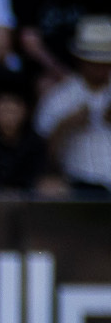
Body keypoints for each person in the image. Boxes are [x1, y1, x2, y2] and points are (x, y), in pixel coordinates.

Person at [34, 14, 111, 193]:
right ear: (81, 60)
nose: (101, 68)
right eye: (94, 62)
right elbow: (42, 157)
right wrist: (64, 127)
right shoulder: (59, 96)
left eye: (106, 63)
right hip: (78, 183)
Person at [0, 83, 58, 190]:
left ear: (25, 111)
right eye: (4, 111)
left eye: (13, 111)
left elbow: (37, 175)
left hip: (27, 199)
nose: (9, 117)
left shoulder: (35, 142)